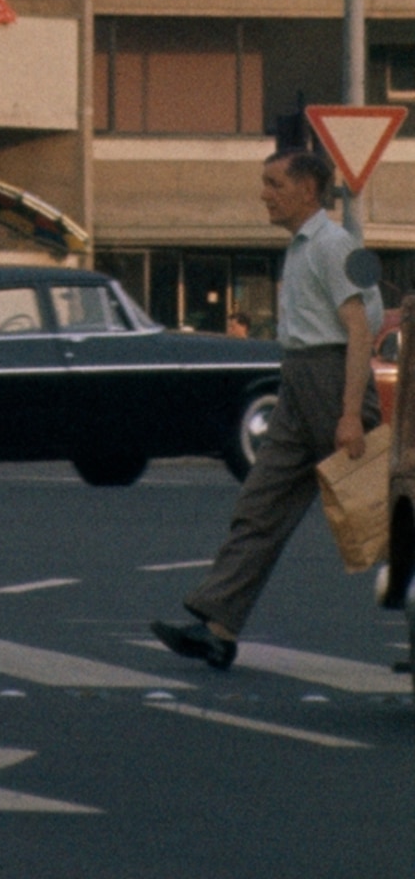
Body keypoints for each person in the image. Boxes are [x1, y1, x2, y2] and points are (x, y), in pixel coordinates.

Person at [152, 144, 384, 670]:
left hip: (331, 381)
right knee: (260, 506)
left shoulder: (332, 246)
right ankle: (218, 626)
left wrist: (349, 413)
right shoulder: (301, 247)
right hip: (300, 382)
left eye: (274, 184)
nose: (264, 195)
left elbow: (359, 331)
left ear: (307, 189)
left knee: (382, 514)